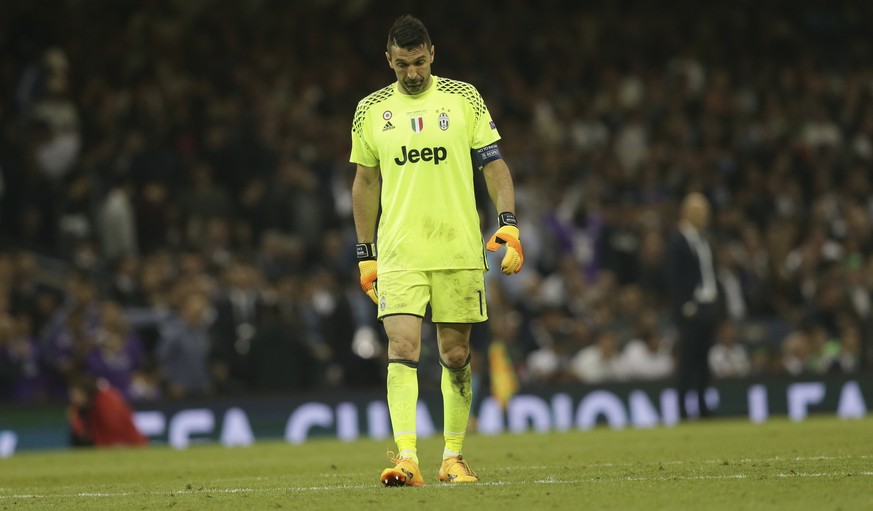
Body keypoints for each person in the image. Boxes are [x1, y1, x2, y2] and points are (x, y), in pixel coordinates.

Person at [350, 15, 523, 486]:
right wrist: (367, 253)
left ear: (433, 54)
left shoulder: (464, 98)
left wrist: (508, 224)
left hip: (458, 248)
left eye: (419, 62)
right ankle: (406, 457)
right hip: (400, 252)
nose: (411, 73)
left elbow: (494, 166)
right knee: (402, 346)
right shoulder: (370, 110)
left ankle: (453, 457)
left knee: (455, 353)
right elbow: (365, 182)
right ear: (388, 59)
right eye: (402, 64)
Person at [667, 192, 720, 419]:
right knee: (688, 362)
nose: (706, 215)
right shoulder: (677, 241)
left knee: (703, 362)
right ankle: (681, 410)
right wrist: (685, 305)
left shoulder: (703, 239)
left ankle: (702, 407)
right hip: (691, 308)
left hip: (708, 305)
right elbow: (673, 278)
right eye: (701, 211)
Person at [67, 372, 148, 447]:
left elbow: (115, 430)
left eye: (76, 394)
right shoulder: (90, 405)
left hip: (129, 446)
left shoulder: (105, 401)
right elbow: (84, 434)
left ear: (85, 391)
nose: (73, 398)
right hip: (113, 448)